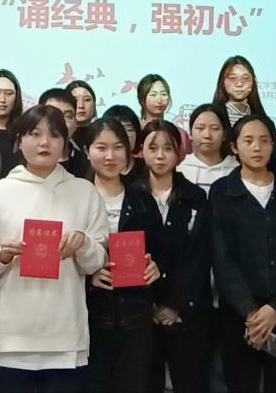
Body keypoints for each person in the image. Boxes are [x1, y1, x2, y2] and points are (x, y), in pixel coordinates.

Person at [0, 105, 109, 393]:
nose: (44, 142)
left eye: (54, 135)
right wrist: (1, 256)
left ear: (65, 143)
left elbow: (97, 262)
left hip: (66, 338)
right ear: (19, 141)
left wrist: (83, 243)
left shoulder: (84, 192)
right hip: (10, 340)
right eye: (34, 134)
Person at [210, 115, 276, 393]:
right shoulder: (221, 192)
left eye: (264, 141)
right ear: (234, 147)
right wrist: (252, 313)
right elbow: (222, 258)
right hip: (239, 316)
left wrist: (275, 308)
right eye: (248, 141)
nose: (257, 147)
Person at [84, 118, 163, 393]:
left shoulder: (142, 199)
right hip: (87, 318)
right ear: (87, 151)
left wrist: (156, 267)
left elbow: (161, 249)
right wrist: (88, 275)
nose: (110, 156)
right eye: (101, 147)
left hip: (135, 318)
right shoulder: (76, 198)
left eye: (118, 147)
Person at [136, 120, 213, 393]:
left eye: (167, 148)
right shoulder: (131, 195)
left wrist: (174, 305)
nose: (160, 155)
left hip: (187, 313)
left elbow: (200, 256)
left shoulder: (196, 196)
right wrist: (150, 305)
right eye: (152, 148)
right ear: (141, 151)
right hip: (142, 314)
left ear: (179, 152)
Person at [177, 104, 239, 195]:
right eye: (200, 128)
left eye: (215, 128)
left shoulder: (237, 172)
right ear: (190, 133)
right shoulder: (180, 172)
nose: (207, 135)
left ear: (224, 134)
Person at [40, 88, 91, 179]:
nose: (61, 122)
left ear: (75, 124)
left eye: (68, 116)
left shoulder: (88, 166)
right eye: (53, 115)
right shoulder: (22, 160)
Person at [136, 74, 189, 161]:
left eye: (164, 94)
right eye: (153, 95)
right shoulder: (135, 133)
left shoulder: (181, 134)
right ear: (142, 99)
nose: (159, 100)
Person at [211, 56, 268, 127]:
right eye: (232, 78)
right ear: (222, 82)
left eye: (245, 78)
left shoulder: (263, 121)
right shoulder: (213, 118)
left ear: (253, 82)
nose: (239, 84)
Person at [101, 105, 147, 182]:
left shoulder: (147, 168)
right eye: (117, 129)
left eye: (129, 129)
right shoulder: (97, 168)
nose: (124, 135)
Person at [66, 80, 97, 150]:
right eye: (75, 100)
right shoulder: (60, 137)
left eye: (87, 100)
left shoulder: (103, 134)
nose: (81, 105)